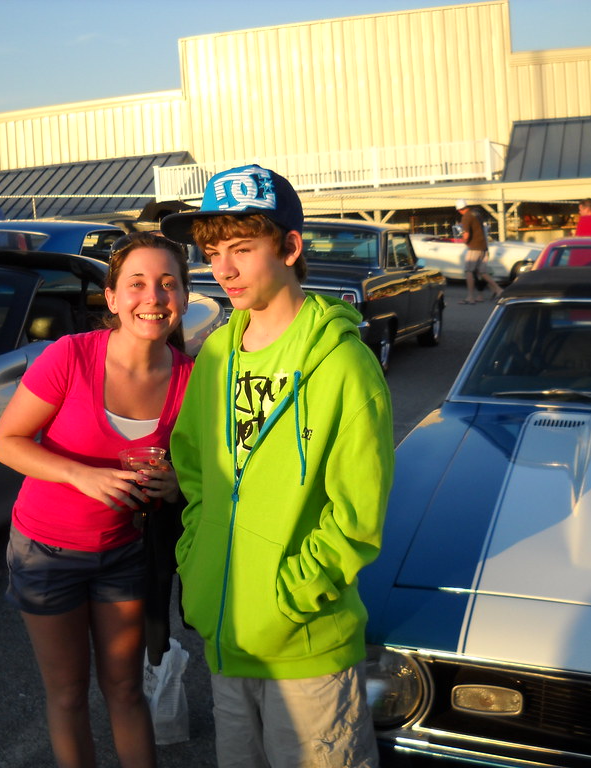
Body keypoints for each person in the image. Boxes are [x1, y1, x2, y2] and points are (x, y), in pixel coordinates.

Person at [160, 165, 394, 768]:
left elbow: (357, 515)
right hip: (226, 635)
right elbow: (194, 472)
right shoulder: (215, 351)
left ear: (290, 247)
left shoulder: (343, 364)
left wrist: (290, 598)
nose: (223, 269)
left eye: (242, 249)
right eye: (213, 252)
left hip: (306, 649)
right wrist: (198, 562)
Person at [0, 232, 193, 768]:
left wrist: (175, 483)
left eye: (169, 283)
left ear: (185, 297)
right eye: (137, 284)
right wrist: (80, 475)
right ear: (111, 298)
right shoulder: (71, 356)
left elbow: (197, 471)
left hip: (125, 551)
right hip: (46, 550)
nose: (153, 297)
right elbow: (6, 443)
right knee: (67, 693)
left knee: (126, 690)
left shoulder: (190, 380)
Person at [456, 199, 502, 304]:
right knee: (482, 272)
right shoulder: (476, 213)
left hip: (474, 247)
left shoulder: (466, 217)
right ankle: (498, 290)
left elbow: (466, 235)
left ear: (459, 210)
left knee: (468, 271)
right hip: (484, 246)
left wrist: (464, 241)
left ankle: (470, 297)